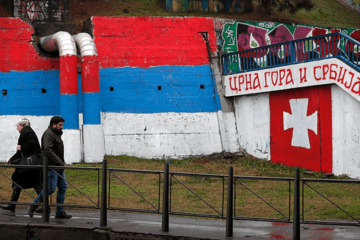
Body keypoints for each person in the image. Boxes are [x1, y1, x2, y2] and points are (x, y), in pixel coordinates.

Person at [27, 116, 72, 219]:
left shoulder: (55, 134)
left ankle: (60, 211)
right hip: (51, 166)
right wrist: (60, 162)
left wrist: (60, 163)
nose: (62, 127)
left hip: (58, 166)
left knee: (63, 187)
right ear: (54, 124)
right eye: (60, 125)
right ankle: (34, 205)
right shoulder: (48, 134)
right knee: (50, 188)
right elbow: (47, 150)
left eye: (62, 125)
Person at [0, 118, 42, 216]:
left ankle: (11, 207)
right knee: (36, 185)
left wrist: (21, 147)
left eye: (17, 126)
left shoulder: (26, 132)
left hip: (27, 166)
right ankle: (45, 206)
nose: (17, 128)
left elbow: (30, 146)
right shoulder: (29, 132)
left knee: (17, 184)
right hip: (32, 165)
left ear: (22, 125)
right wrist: (12, 158)